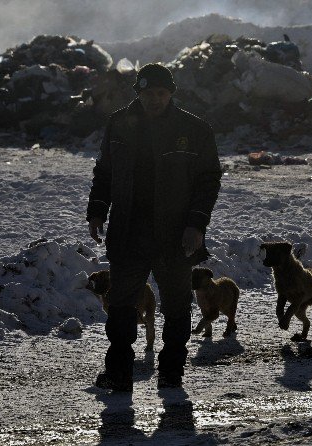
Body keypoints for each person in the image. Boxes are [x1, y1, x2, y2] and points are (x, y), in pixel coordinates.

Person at [86, 63, 222, 391]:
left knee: (176, 306)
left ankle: (171, 372)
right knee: (120, 306)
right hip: (128, 231)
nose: (154, 100)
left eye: (161, 93)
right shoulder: (119, 124)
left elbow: (209, 180)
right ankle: (119, 373)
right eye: (148, 93)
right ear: (138, 93)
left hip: (175, 236)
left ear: (171, 93)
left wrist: (196, 224)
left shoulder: (193, 129)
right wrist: (97, 212)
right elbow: (104, 173)